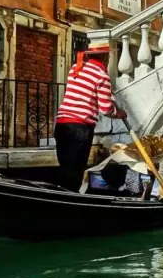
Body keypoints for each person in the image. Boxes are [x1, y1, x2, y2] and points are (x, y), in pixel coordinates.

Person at [54, 41, 126, 192]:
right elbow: (106, 109)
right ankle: (70, 204)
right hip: (80, 127)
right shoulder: (101, 76)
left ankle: (62, 203)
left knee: (65, 169)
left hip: (62, 124)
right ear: (105, 57)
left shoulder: (75, 68)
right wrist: (119, 114)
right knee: (75, 173)